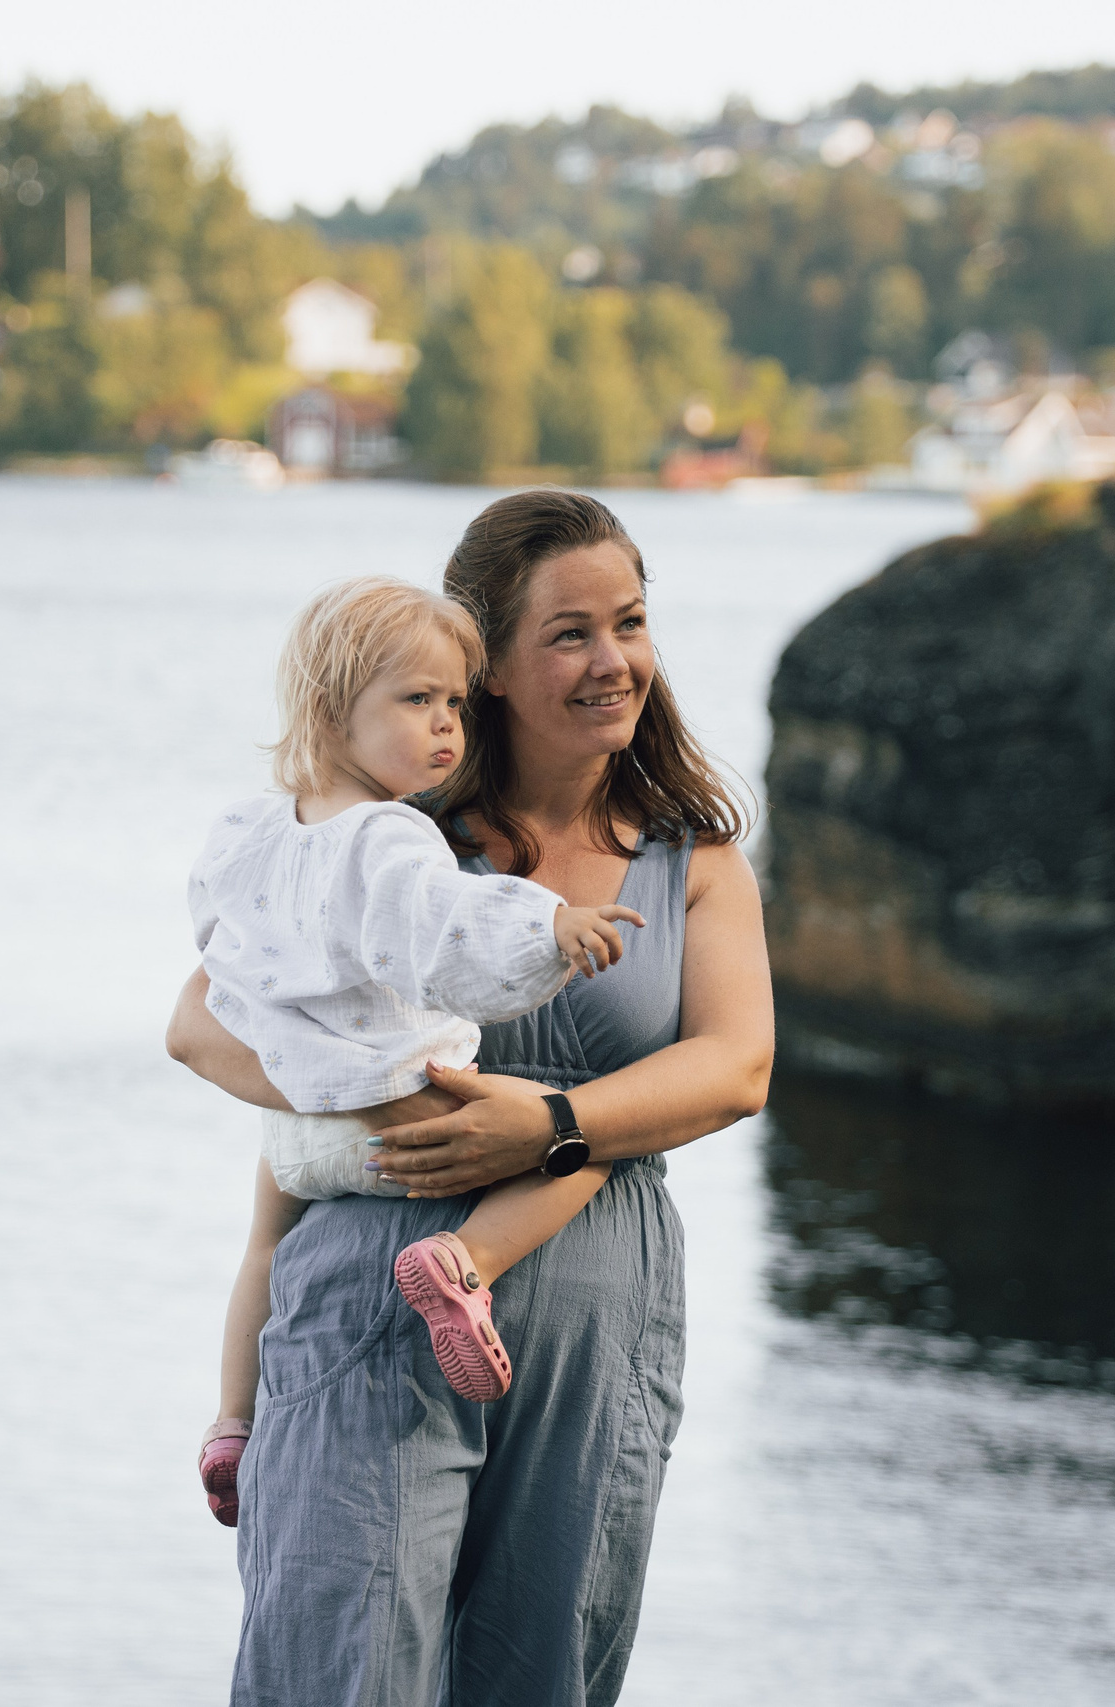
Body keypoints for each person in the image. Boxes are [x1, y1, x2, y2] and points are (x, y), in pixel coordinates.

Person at [167, 488, 774, 1707]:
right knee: (340, 1665)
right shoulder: (383, 836)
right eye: (568, 633)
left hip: (598, 1320)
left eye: (631, 622)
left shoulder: (689, 855)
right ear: (486, 664)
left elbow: (736, 1067)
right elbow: (199, 1022)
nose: (614, 662)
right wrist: (384, 1106)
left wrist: (548, 1126)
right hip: (373, 1289)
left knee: (540, 1674)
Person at [189, 575, 649, 1526]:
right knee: (585, 1144)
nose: (447, 727)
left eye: (452, 702)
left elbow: (214, 954)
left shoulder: (251, 832)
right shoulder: (387, 836)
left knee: (264, 1247)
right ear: (330, 710)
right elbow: (445, 930)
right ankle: (462, 1263)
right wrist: (550, 927)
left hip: (296, 1122)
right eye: (416, 701)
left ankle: (232, 1423)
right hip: (401, 1104)